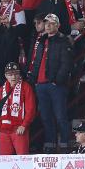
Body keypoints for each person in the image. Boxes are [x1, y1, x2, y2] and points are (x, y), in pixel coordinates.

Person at [29, 14, 74, 152]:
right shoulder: (41, 40)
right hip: (41, 85)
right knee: (46, 117)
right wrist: (35, 80)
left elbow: (67, 64)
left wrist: (57, 81)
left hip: (56, 86)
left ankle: (65, 144)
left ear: (58, 25)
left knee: (60, 116)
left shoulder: (63, 40)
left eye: (51, 23)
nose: (48, 25)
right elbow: (37, 62)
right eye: (46, 23)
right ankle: (50, 145)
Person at [0, 62, 36, 155]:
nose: (13, 77)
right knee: (5, 162)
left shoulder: (26, 87)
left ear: (19, 74)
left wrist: (24, 125)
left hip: (19, 129)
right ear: (5, 76)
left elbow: (31, 109)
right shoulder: (2, 89)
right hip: (4, 130)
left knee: (22, 158)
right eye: (10, 74)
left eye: (16, 74)